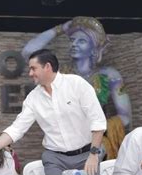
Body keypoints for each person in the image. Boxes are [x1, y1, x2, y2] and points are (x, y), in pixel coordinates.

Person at [22, 17, 131, 159]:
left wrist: (101, 133)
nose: (74, 44)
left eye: (82, 41)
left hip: (98, 140)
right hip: (64, 141)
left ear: (94, 47)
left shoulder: (109, 75)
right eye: (72, 40)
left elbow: (126, 116)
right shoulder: (61, 74)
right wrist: (61, 29)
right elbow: (28, 51)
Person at [0, 49, 107, 175]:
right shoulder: (33, 98)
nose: (30, 73)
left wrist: (94, 154)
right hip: (55, 159)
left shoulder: (77, 84)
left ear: (47, 67)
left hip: (88, 154)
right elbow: (17, 129)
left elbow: (98, 121)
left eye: (33, 68)